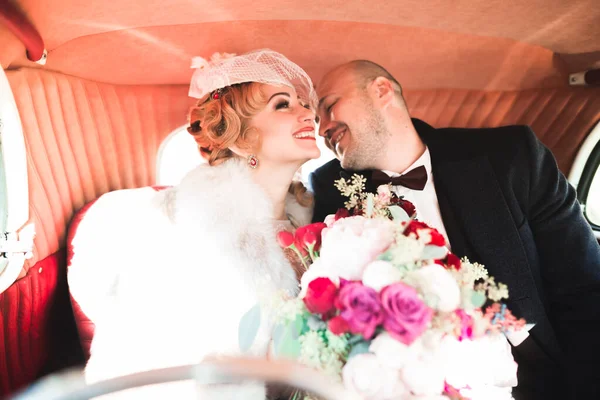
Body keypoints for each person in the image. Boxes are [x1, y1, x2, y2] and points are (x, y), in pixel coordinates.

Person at [309, 60, 600, 399]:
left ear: (381, 91)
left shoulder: (511, 157)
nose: (322, 129)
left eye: (329, 107)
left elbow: (583, 291)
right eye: (316, 120)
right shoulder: (333, 193)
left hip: (541, 378)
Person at [69, 49, 320, 399]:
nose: (307, 113)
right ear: (240, 137)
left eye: (303, 105)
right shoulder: (181, 226)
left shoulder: (313, 224)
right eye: (283, 105)